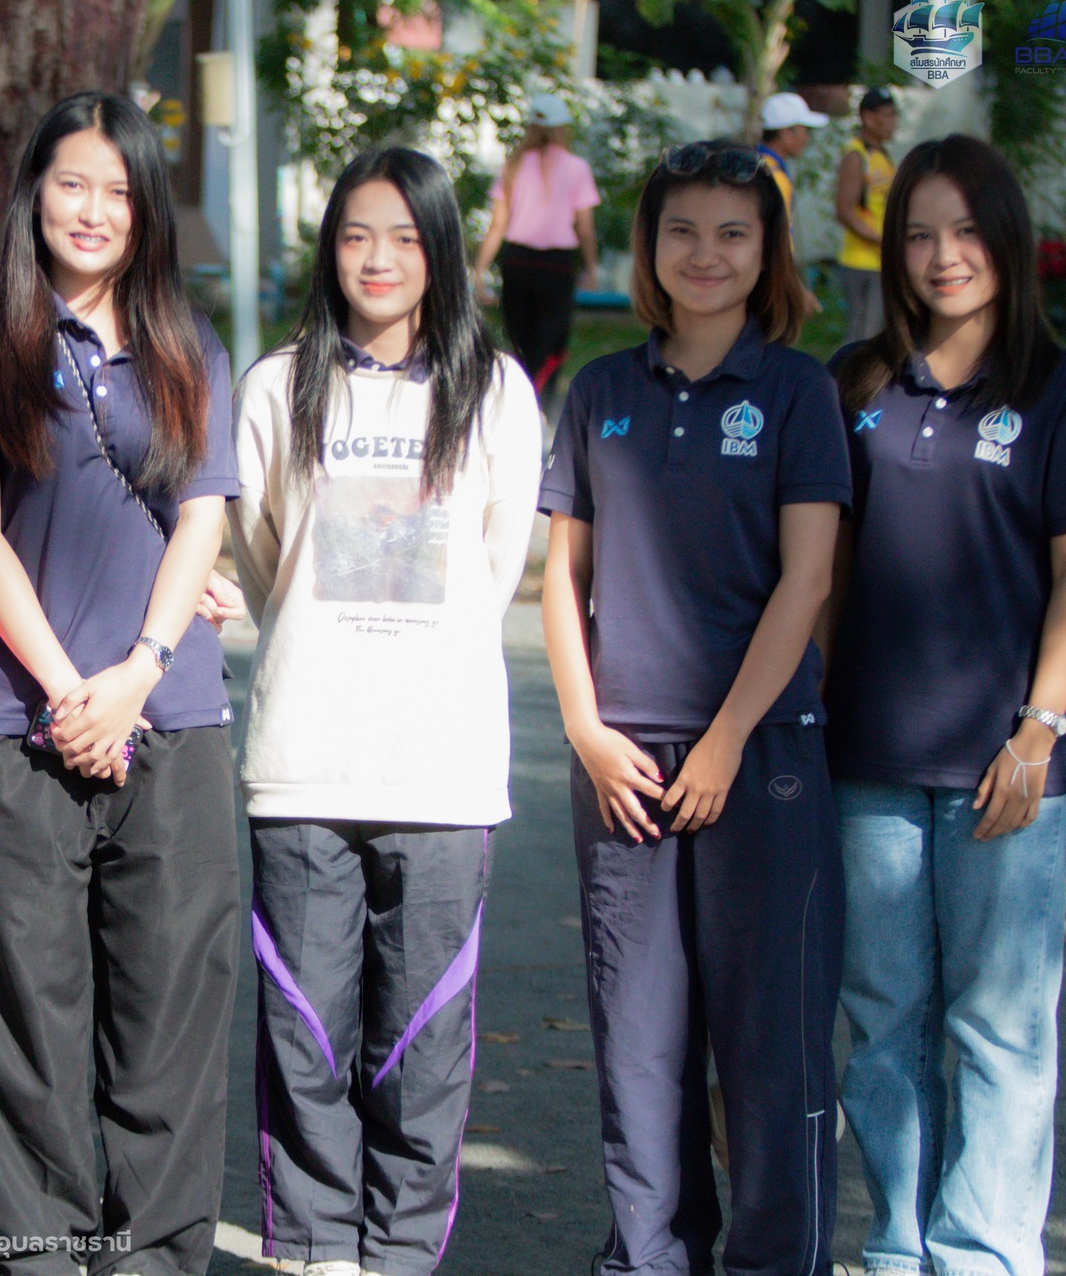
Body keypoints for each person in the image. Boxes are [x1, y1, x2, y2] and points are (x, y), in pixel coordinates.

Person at [0, 90, 240, 1276]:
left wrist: (136, 676)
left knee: (168, 1021)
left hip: (171, 719)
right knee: (28, 1022)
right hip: (17, 725)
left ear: (146, 207)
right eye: (71, 184)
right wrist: (73, 695)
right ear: (34, 195)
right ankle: (35, 1258)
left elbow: (202, 518)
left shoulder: (187, 343)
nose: (92, 210)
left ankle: (155, 1258)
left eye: (116, 190)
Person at [538, 139, 850, 1276]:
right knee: (638, 1042)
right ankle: (648, 1256)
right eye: (682, 230)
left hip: (758, 756)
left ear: (767, 251)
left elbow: (806, 580)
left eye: (732, 232)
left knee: (769, 1042)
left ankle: (775, 1260)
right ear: (648, 247)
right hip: (621, 762)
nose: (704, 253)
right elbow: (560, 578)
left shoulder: (797, 391)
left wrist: (722, 741)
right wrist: (584, 729)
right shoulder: (601, 391)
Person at [821, 134, 1066, 1276]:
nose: (941, 255)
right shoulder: (854, 382)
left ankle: (986, 1254)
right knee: (882, 1024)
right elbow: (823, 570)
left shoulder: (1061, 389)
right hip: (867, 758)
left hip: (1006, 765)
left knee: (999, 1029)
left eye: (963, 230)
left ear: (1005, 238)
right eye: (917, 233)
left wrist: (1038, 731)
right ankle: (898, 1247)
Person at [231, 147, 543, 1276]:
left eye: (405, 237)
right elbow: (263, 555)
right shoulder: (276, 387)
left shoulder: (497, 392)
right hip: (303, 761)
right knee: (306, 1031)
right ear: (328, 248)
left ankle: (401, 1251)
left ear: (441, 252)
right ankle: (317, 1249)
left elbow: (495, 565)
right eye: (357, 234)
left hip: (440, 765)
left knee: (420, 1038)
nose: (377, 258)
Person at [473, 93, 600, 405]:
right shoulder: (577, 168)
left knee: (520, 343)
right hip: (557, 266)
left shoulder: (513, 166)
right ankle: (541, 406)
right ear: (563, 127)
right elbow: (584, 228)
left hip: (518, 262)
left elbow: (498, 225)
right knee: (551, 345)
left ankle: (516, 405)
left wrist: (479, 269)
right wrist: (591, 268)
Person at [833, 86, 898, 346]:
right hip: (861, 262)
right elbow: (844, 211)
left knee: (875, 337)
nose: (894, 122)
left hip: (880, 262)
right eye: (888, 115)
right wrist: (882, 240)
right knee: (861, 338)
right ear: (869, 118)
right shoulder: (856, 155)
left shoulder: (882, 155)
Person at [759, 90, 830, 317]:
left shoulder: (758, 165)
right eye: (804, 130)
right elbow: (773, 237)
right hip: (770, 278)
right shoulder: (775, 177)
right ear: (786, 133)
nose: (807, 138)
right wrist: (795, 287)